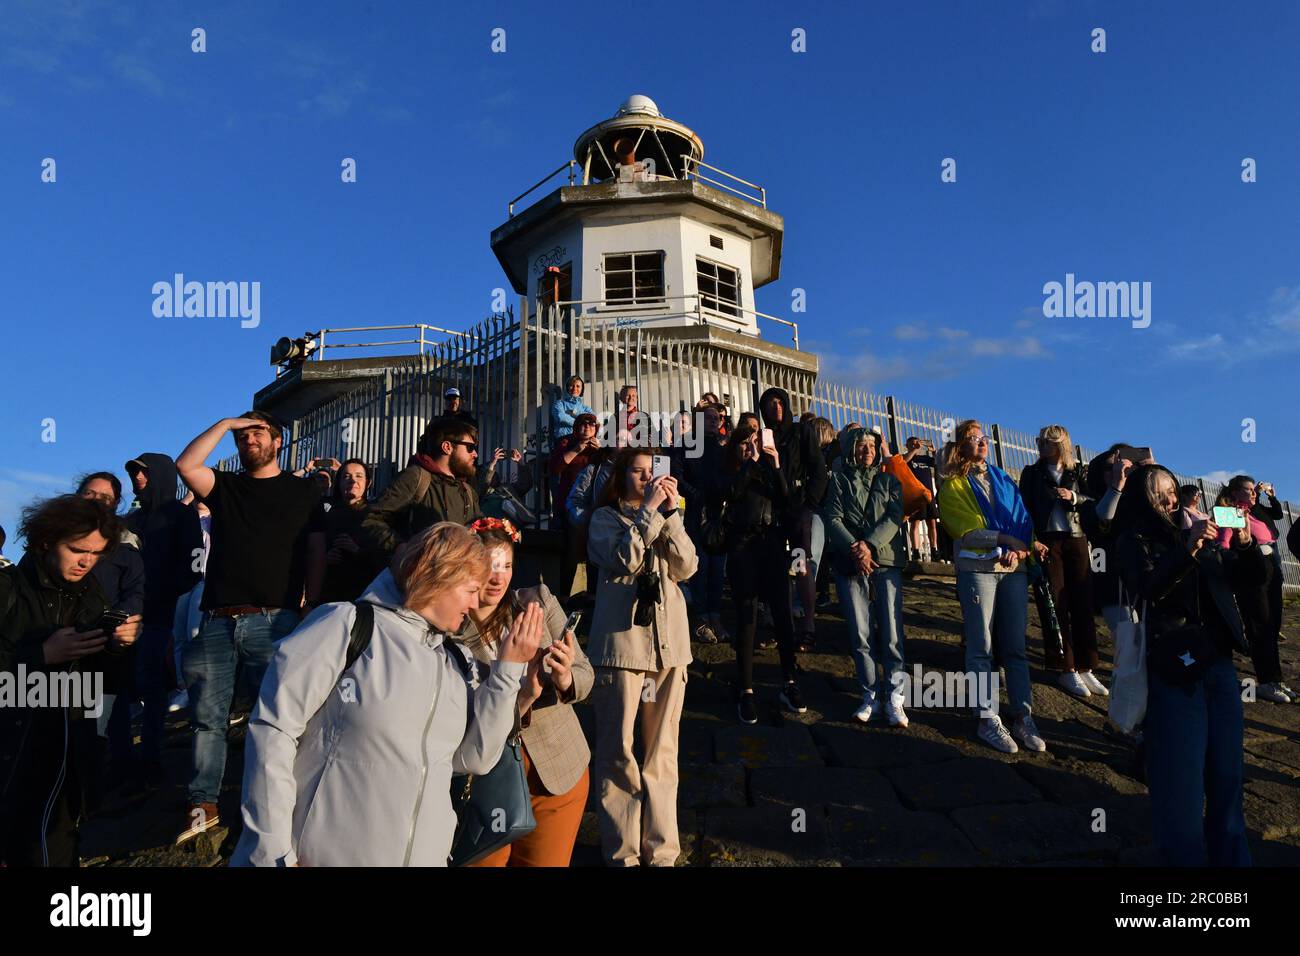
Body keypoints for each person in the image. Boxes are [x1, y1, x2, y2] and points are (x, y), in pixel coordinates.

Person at [231, 522, 538, 866]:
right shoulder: (347, 625)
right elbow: (273, 731)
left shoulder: (456, 660)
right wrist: (272, 852)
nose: (477, 600)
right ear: (439, 575)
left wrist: (508, 670)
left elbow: (474, 758)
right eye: (470, 589)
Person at [174, 410, 321, 841]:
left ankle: (268, 801)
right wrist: (224, 424)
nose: (247, 440)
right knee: (206, 719)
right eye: (242, 435)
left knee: (275, 720)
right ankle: (203, 804)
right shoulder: (227, 487)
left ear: (278, 441)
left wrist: (310, 604)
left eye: (257, 432)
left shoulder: (303, 491)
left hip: (274, 622)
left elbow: (314, 548)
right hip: (216, 621)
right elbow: (186, 466)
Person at [1114, 465, 1252, 866]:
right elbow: (1148, 589)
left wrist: (1242, 544)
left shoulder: (1201, 531)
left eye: (1173, 490)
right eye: (1160, 493)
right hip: (1175, 666)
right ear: (1143, 499)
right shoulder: (1133, 539)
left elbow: (1248, 583)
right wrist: (1187, 548)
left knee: (1228, 777)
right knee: (1182, 782)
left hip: (1219, 662)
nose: (1171, 500)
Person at [0, 495, 142, 866]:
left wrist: (118, 645)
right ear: (46, 541)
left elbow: (105, 683)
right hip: (13, 762)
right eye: (78, 549)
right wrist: (39, 657)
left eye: (97, 553)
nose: (87, 561)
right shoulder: (7, 590)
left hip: (70, 763)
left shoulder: (92, 597)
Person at [587, 446, 698, 866]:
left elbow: (687, 567)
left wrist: (669, 517)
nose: (647, 479)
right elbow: (624, 559)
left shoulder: (667, 518)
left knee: (662, 753)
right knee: (618, 751)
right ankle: (622, 853)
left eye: (652, 472)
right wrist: (649, 512)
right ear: (620, 478)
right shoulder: (604, 520)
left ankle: (663, 851)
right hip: (622, 651)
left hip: (671, 650)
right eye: (637, 472)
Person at [460, 518, 593, 866]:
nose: (498, 576)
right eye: (490, 564)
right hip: (483, 781)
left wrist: (565, 679)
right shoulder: (451, 628)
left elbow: (586, 674)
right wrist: (523, 698)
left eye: (506, 565)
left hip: (555, 772)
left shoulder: (537, 602)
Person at [938, 420, 1050, 755]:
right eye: (972, 439)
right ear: (960, 446)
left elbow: (1021, 516)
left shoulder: (1003, 478)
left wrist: (1026, 544)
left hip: (1012, 568)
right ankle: (987, 718)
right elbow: (963, 528)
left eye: (982, 437)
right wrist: (1003, 539)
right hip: (977, 569)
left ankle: (1022, 715)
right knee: (980, 645)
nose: (981, 442)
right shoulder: (952, 484)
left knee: (1015, 646)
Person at [122, 453, 204, 782]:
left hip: (158, 614)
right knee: (123, 687)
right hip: (123, 616)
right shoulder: (130, 520)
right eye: (134, 474)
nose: (138, 479)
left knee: (151, 682)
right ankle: (123, 758)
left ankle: (150, 758)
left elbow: (194, 566)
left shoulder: (181, 517)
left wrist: (165, 591)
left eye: (143, 473)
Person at [823, 426, 908, 726]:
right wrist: (855, 549)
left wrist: (868, 545)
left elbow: (893, 518)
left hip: (885, 562)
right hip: (851, 563)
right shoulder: (840, 481)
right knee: (861, 633)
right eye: (862, 445)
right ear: (850, 449)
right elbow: (831, 517)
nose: (868, 450)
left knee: (892, 632)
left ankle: (896, 696)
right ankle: (869, 692)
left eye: (872, 446)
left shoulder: (889, 481)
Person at [721, 415, 805, 721]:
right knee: (747, 616)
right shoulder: (732, 468)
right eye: (744, 441)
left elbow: (786, 499)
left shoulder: (769, 468)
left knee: (783, 615)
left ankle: (790, 680)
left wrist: (777, 464)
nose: (750, 446)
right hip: (743, 545)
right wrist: (751, 462)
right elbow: (731, 493)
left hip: (771, 544)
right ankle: (746, 689)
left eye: (754, 440)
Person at [1017, 425, 1103, 698]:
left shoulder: (1078, 473)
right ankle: (1065, 668)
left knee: (1083, 602)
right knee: (1055, 603)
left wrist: (1074, 497)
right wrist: (1032, 541)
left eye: (1048, 443)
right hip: (1047, 541)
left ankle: (1087, 665)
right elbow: (1024, 509)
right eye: (1040, 441)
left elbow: (1095, 503)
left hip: (1076, 537)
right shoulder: (1032, 474)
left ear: (1061, 445)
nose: (1042, 446)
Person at [75, 473, 147, 790]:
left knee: (105, 720)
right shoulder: (47, 541)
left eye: (104, 497)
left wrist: (119, 624)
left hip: (104, 648)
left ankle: (109, 780)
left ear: (116, 503)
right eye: (89, 494)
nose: (95, 501)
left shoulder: (125, 547)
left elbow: (134, 593)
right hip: (54, 649)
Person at [758, 387, 828, 653]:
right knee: (777, 570)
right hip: (772, 512)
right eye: (770, 404)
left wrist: (808, 503)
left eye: (780, 403)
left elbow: (818, 469)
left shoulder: (802, 432)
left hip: (798, 512)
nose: (776, 408)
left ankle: (807, 627)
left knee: (801, 566)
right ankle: (782, 626)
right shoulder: (765, 437)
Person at [1214, 475, 1291, 703]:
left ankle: (1275, 679)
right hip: (1252, 573)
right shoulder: (1229, 513)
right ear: (1235, 492)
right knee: (1259, 625)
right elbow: (1223, 546)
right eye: (1248, 490)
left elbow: (1276, 518)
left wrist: (1268, 498)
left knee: (1272, 625)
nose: (1254, 493)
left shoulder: (1254, 512)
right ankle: (1266, 681)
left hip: (1270, 570)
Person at [362, 418, 482, 561]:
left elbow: (479, 528)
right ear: (447, 447)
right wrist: (401, 548)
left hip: (460, 579)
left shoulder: (467, 490)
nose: (475, 454)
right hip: (421, 579)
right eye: (470, 448)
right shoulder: (416, 478)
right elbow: (371, 519)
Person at [684, 402, 729, 645]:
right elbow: (680, 476)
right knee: (700, 568)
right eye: (709, 417)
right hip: (696, 514)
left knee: (717, 570)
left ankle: (716, 616)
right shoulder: (690, 444)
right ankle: (701, 619)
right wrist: (697, 495)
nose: (714, 421)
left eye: (717, 418)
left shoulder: (724, 448)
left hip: (719, 515)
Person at [305, 458, 375, 609]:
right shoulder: (326, 515)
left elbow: (385, 557)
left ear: (368, 483)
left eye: (359, 476)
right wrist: (325, 558)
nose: (352, 481)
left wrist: (358, 551)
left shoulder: (376, 515)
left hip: (365, 596)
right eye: (346, 476)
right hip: (330, 598)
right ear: (339, 483)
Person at [1251, 480, 1287, 646]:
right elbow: (1252, 506)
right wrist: (1256, 493)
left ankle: (1274, 623)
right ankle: (1265, 625)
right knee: (1264, 586)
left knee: (1276, 583)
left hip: (1273, 546)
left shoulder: (1260, 508)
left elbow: (1278, 515)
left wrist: (1272, 497)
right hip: (1260, 549)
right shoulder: (1247, 507)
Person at [903, 437, 941, 561]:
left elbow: (938, 464)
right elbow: (903, 462)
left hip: (928, 494)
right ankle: (916, 551)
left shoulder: (925, 459)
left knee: (932, 523)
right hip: (916, 496)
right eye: (912, 443)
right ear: (907, 445)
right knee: (915, 523)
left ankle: (934, 550)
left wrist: (934, 452)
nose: (915, 445)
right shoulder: (906, 457)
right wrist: (914, 450)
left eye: (916, 443)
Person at [549, 375, 595, 441]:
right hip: (563, 440)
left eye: (578, 386)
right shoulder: (559, 404)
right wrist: (581, 422)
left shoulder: (586, 408)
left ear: (582, 389)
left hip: (580, 441)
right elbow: (560, 417)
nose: (574, 388)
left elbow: (592, 421)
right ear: (567, 387)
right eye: (572, 385)